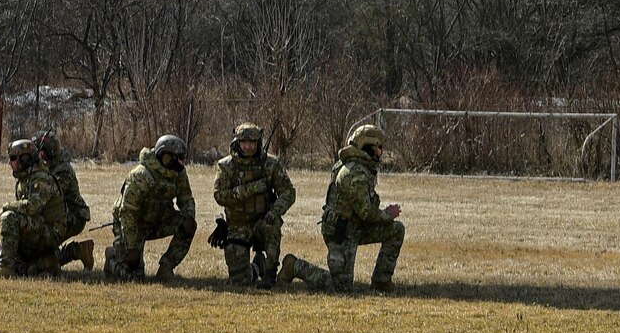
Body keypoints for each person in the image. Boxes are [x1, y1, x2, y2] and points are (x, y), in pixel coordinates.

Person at [280, 122, 404, 292]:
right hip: (341, 232)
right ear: (368, 147)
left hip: (355, 226)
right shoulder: (354, 173)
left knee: (396, 230)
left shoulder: (361, 168)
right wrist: (387, 214)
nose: (381, 152)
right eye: (378, 147)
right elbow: (366, 212)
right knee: (341, 288)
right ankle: (294, 266)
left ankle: (381, 281)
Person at [0, 138, 92, 276]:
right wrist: (7, 245)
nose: (9, 162)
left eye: (13, 158)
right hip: (40, 229)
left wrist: (7, 207)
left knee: (9, 217)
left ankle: (8, 269)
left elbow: (32, 207)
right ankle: (45, 264)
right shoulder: (26, 179)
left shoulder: (41, 179)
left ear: (25, 159)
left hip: (50, 233)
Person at [211, 120, 297, 286]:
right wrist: (251, 188)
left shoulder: (270, 164)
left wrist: (275, 211)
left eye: (252, 143)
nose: (248, 147)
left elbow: (288, 192)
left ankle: (270, 272)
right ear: (237, 142)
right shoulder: (226, 166)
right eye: (244, 142)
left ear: (258, 143)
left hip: (263, 220)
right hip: (237, 225)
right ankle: (258, 266)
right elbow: (219, 196)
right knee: (239, 281)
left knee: (272, 226)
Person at [105, 133, 196, 282]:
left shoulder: (178, 173)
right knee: (133, 279)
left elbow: (186, 199)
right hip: (133, 226)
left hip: (158, 220)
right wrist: (131, 247)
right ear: (165, 156)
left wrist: (189, 216)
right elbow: (127, 213)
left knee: (188, 226)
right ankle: (112, 259)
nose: (182, 162)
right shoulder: (141, 176)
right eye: (178, 157)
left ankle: (166, 268)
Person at [36, 128, 95, 270]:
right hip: (62, 213)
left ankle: (76, 251)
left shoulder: (62, 170)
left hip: (73, 216)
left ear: (44, 153)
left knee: (46, 261)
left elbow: (49, 196)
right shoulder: (51, 165)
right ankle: (80, 250)